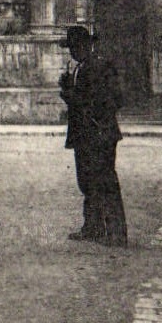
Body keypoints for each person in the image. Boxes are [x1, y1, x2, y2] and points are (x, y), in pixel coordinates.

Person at [58, 25, 127, 246]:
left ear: (87, 45)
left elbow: (110, 98)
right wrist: (70, 88)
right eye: (71, 48)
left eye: (76, 47)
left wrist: (71, 95)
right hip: (85, 135)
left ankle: (115, 233)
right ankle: (93, 227)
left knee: (105, 181)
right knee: (88, 182)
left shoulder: (99, 67)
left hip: (99, 134)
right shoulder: (82, 67)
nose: (73, 52)